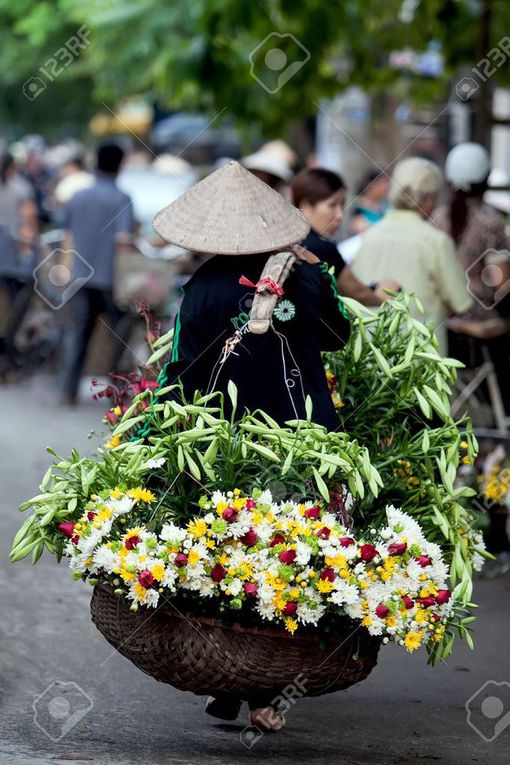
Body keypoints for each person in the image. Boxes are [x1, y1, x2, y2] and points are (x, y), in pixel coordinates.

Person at [151, 162, 351, 726]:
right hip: (303, 438)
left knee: (232, 556)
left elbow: (181, 371)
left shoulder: (202, 288)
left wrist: (156, 436)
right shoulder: (306, 275)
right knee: (289, 557)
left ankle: (231, 682)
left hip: (224, 441)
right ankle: (263, 692)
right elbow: (338, 336)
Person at [351, 157, 472, 354]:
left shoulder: (370, 236)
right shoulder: (435, 241)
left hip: (371, 356)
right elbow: (460, 302)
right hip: (420, 362)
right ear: (427, 199)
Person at [432, 142, 510, 411]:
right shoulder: (491, 222)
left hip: (442, 320)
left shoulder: (438, 217)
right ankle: (503, 415)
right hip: (477, 321)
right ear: (485, 179)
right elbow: (502, 283)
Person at [59, 143, 134, 405]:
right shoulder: (121, 199)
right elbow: (123, 242)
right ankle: (118, 396)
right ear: (120, 165)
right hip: (110, 280)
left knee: (77, 333)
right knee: (120, 334)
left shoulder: (78, 196)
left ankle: (67, 392)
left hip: (79, 277)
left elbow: (66, 235)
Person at [291, 168, 397, 306]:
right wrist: (381, 297)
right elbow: (359, 293)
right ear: (304, 205)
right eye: (332, 205)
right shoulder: (322, 249)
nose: (339, 215)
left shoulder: (282, 241)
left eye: (341, 205)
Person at [348, 169, 389, 235]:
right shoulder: (358, 210)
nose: (386, 187)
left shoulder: (387, 206)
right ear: (369, 185)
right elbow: (359, 229)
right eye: (381, 183)